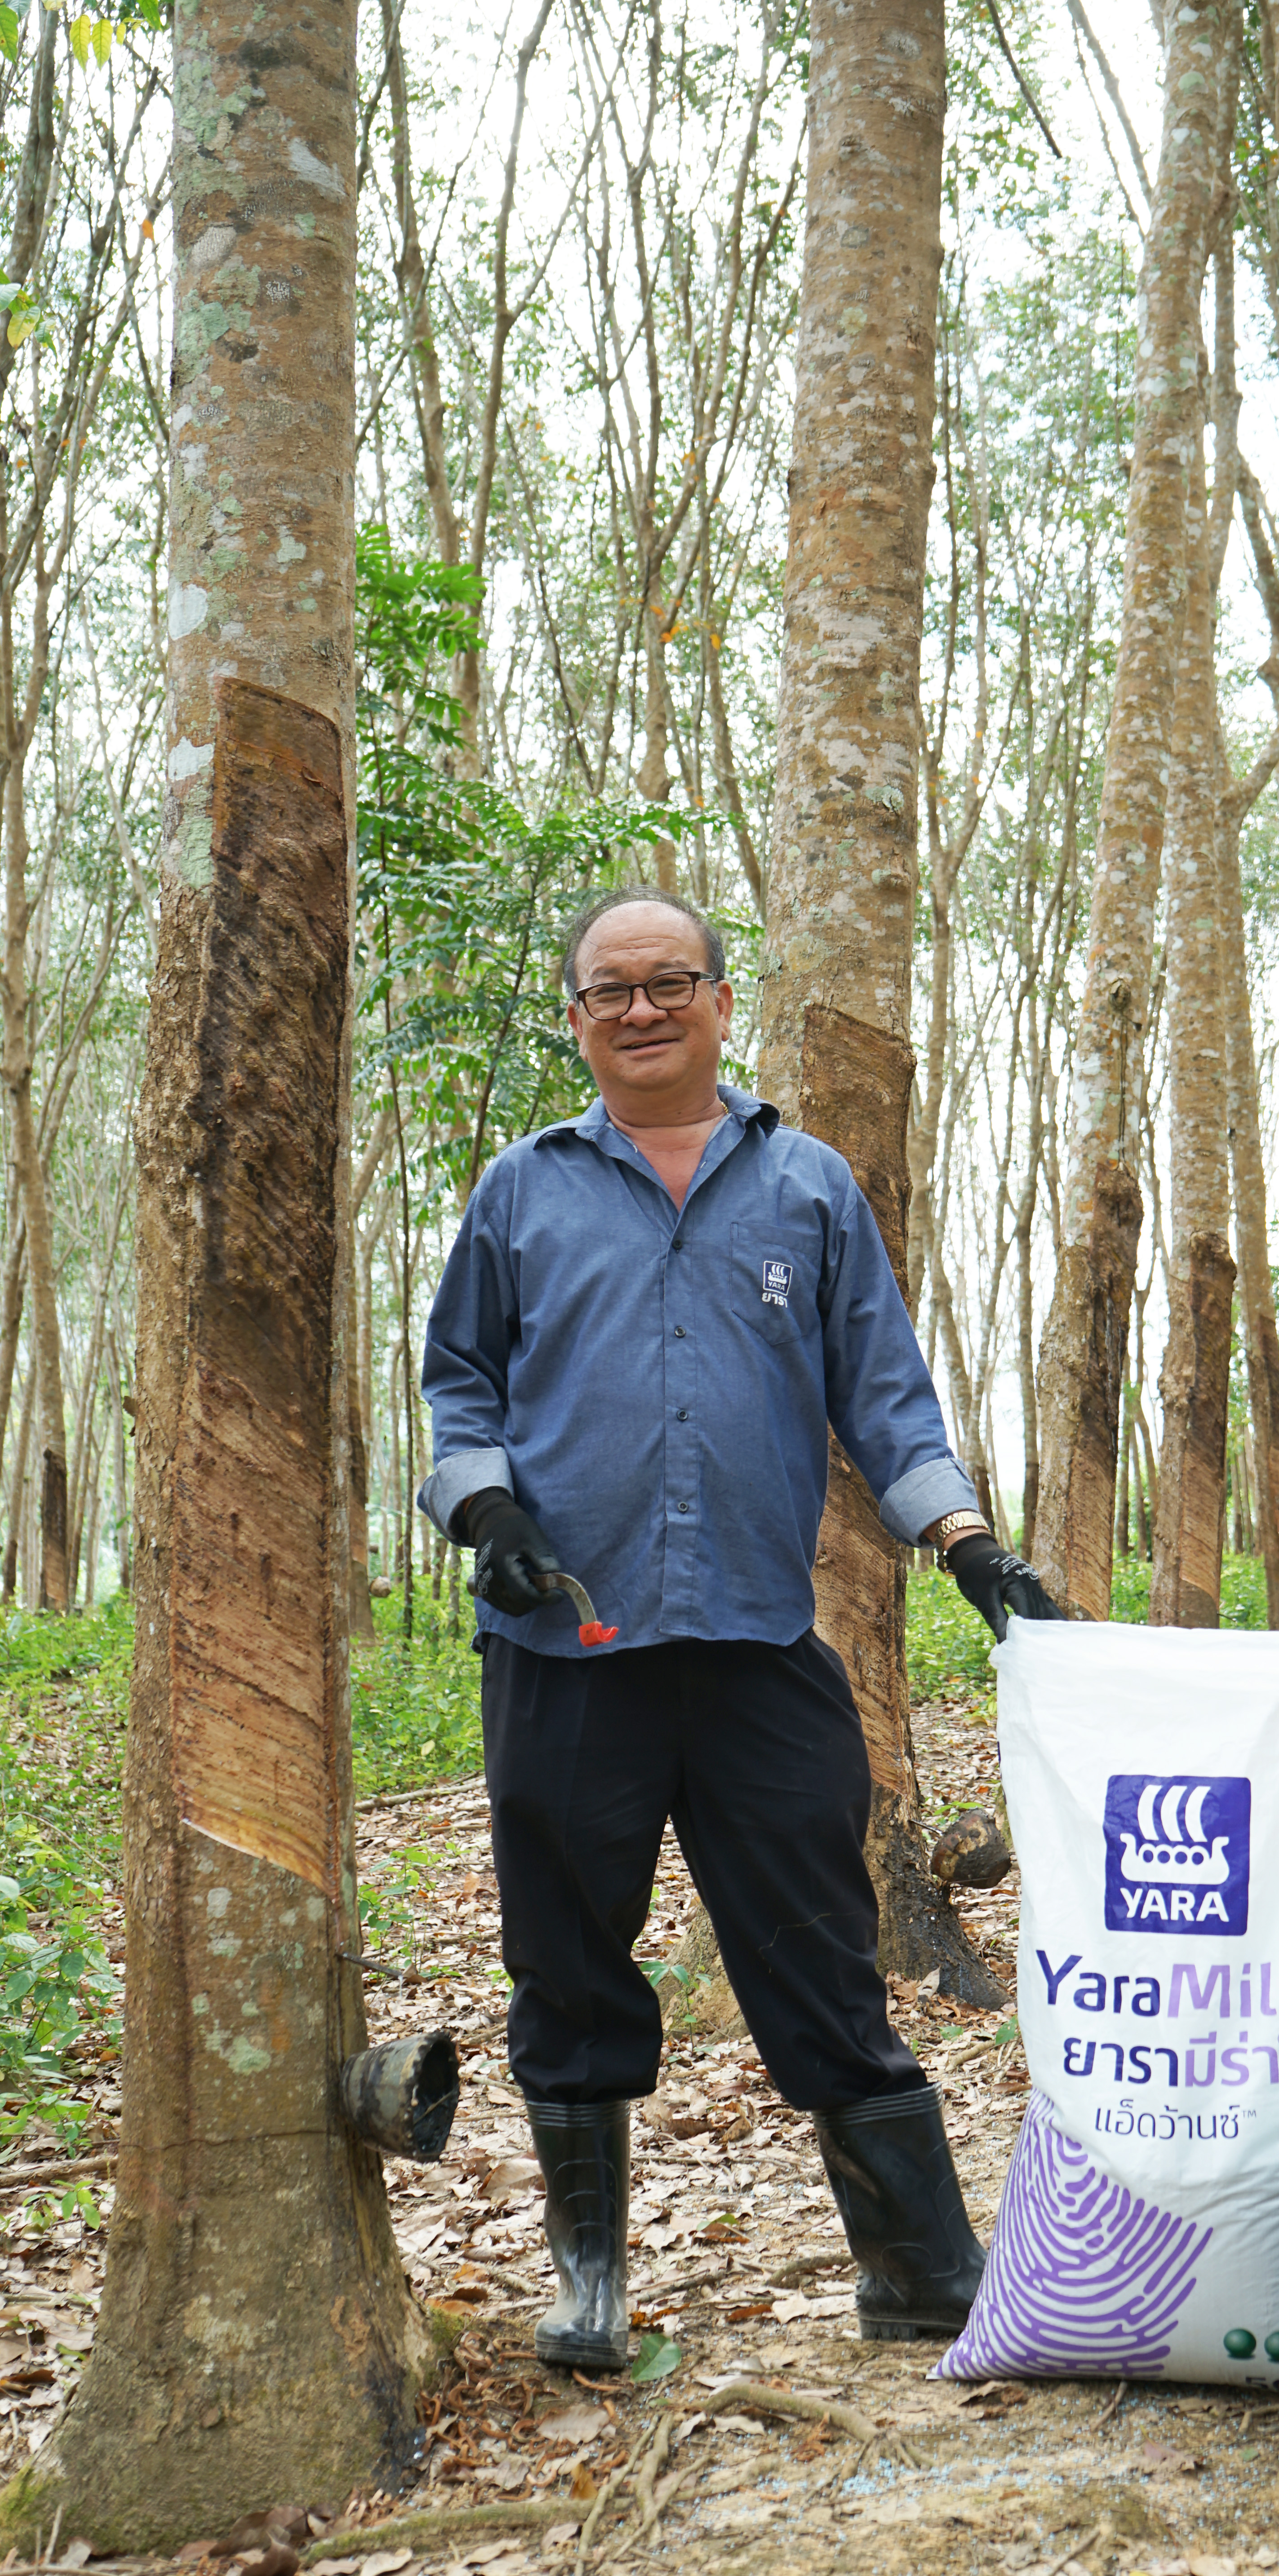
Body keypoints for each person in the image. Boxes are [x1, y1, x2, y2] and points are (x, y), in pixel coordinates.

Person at [417, 883, 1062, 2371]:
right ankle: (588, 2282)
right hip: (565, 1654)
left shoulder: (811, 1187)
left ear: (721, 1000)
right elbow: (459, 1392)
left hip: (761, 1648)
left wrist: (970, 1549)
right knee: (568, 1958)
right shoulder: (522, 1190)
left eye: (669, 982)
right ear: (577, 1020)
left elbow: (887, 1402)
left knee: (821, 1948)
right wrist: (490, 1519)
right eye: (608, 990)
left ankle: (920, 2268)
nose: (641, 1009)